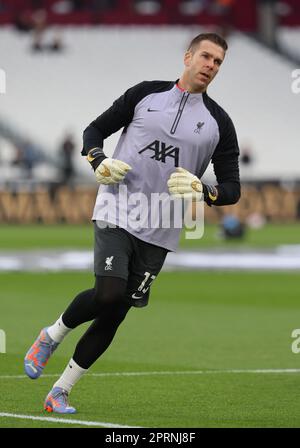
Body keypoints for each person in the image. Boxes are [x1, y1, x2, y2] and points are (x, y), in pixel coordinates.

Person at [24, 32, 241, 414]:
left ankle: (60, 391)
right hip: (117, 209)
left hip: (161, 228)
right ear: (188, 56)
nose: (211, 66)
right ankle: (51, 335)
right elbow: (93, 131)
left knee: (116, 311)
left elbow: (232, 188)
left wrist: (203, 190)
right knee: (107, 293)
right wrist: (98, 161)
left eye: (218, 62)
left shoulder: (218, 123)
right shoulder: (146, 94)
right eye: (206, 57)